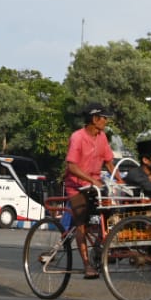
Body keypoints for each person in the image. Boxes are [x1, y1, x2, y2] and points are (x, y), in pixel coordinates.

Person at [64, 106, 116, 278]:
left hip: (96, 186)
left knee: (112, 210)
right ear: (95, 119)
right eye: (104, 118)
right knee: (81, 224)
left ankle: (103, 245)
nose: (106, 121)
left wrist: (121, 181)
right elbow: (71, 166)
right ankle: (87, 265)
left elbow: (109, 162)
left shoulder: (102, 137)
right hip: (77, 186)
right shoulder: (77, 137)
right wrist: (91, 180)